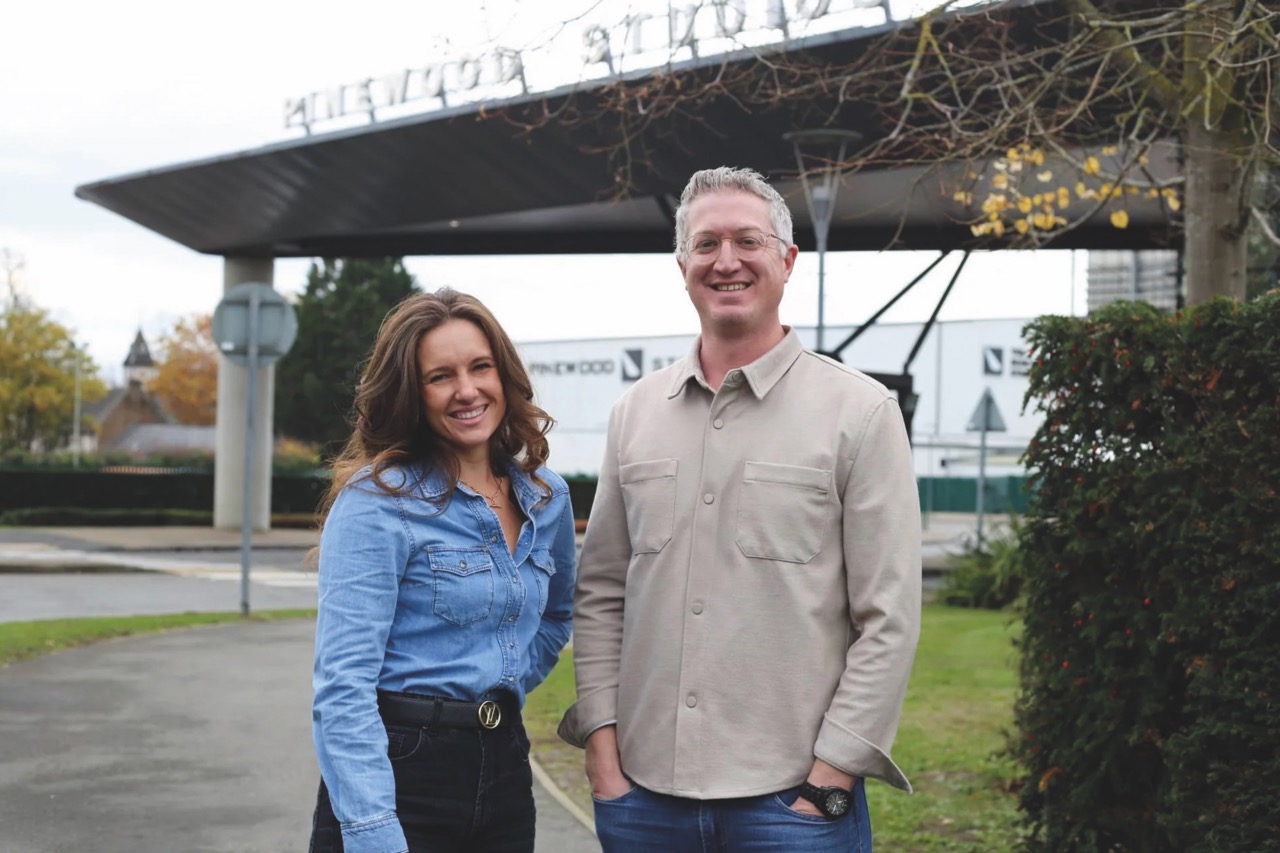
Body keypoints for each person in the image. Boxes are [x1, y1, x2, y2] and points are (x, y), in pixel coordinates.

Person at [557, 166, 922, 852]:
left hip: (794, 806)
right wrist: (603, 750)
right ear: (682, 267)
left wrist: (831, 775)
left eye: (748, 241)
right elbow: (601, 592)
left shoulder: (861, 414)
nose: (726, 260)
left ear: (788, 261)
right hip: (643, 801)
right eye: (706, 244)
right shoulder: (634, 414)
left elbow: (889, 617)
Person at [309, 288, 577, 853]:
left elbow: (557, 617)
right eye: (440, 376)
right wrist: (372, 830)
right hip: (399, 774)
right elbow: (343, 686)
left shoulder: (546, 496)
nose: (467, 390)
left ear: (504, 374)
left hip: (505, 768)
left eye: (481, 367)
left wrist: (499, 679)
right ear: (412, 393)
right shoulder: (377, 502)